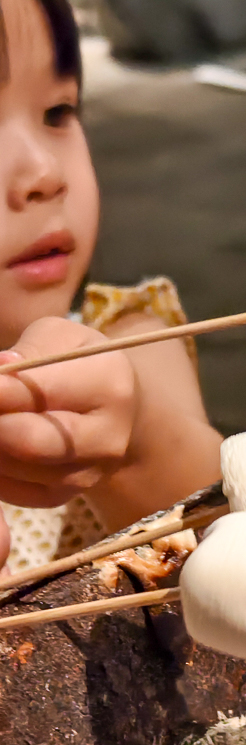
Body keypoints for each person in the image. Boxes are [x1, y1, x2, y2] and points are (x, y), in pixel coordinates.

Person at [0, 0, 223, 573]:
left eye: (58, 111)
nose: (44, 174)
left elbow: (229, 522)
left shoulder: (128, 335)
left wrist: (129, 437)